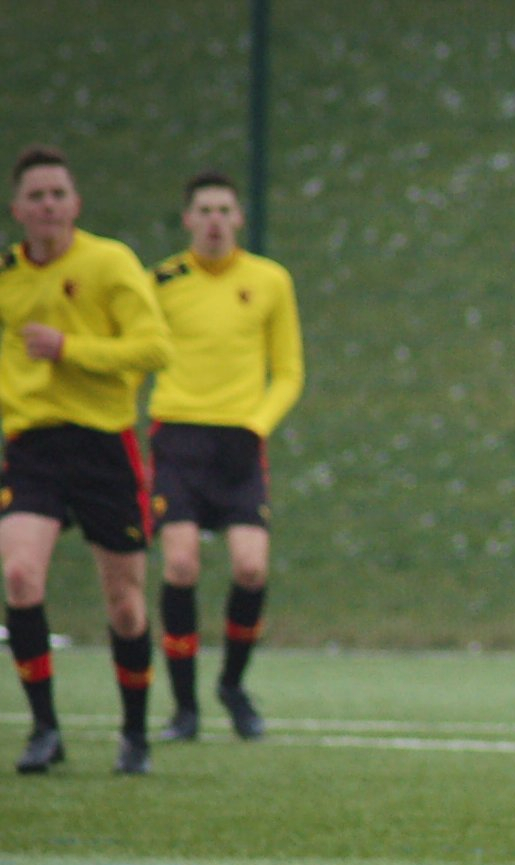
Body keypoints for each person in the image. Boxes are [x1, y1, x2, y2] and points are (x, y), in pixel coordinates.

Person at [1, 145, 172, 775]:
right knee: (20, 576)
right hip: (33, 447)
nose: (49, 205)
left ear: (76, 203)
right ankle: (44, 729)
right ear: (17, 209)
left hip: (105, 446)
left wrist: (70, 348)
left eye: (59, 194)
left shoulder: (109, 263)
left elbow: (154, 348)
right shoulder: (7, 277)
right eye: (37, 196)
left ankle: (134, 734)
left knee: (125, 602)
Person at [149, 170, 304, 742]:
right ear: (188, 219)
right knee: (182, 565)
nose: (214, 220)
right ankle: (184, 708)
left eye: (224, 210)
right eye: (203, 210)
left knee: (250, 566)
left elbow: (288, 371)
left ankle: (232, 686)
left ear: (239, 218)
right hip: (178, 437)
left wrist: (257, 424)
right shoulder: (161, 281)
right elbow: (135, 352)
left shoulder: (269, 281)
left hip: (239, 441)